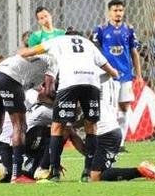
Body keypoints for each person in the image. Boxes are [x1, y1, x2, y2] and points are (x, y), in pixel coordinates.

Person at [23, 29, 117, 181]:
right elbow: (111, 71)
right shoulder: (89, 44)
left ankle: (53, 172)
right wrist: (114, 74)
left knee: (58, 127)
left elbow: (31, 51)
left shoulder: (58, 40)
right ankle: (87, 172)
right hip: (92, 84)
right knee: (91, 127)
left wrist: (19, 56)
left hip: (70, 83)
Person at [0, 46, 57, 183]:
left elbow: (39, 90)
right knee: (19, 126)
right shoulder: (53, 60)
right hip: (9, 78)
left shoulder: (36, 63)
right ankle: (17, 176)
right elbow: (48, 91)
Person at [84, 78, 155, 183]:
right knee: (99, 174)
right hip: (111, 130)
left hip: (106, 133)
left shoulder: (90, 84)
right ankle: (141, 171)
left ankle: (141, 171)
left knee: (96, 176)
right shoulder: (108, 81)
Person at [91, 0, 142, 138]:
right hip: (107, 75)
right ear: (109, 12)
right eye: (115, 10)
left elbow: (134, 52)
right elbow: (94, 52)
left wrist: (139, 75)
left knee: (125, 107)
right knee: (110, 109)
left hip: (125, 74)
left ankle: (121, 142)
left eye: (120, 10)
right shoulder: (100, 30)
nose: (118, 13)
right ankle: (109, 139)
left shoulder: (129, 30)